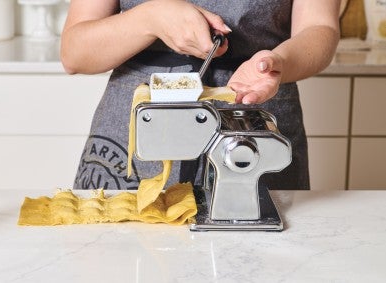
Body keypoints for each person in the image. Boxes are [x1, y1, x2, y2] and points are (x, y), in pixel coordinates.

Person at [61, 0, 340, 191]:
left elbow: (319, 28)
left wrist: (279, 62)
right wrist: (149, 18)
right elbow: (75, 53)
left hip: (255, 114)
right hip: (134, 130)